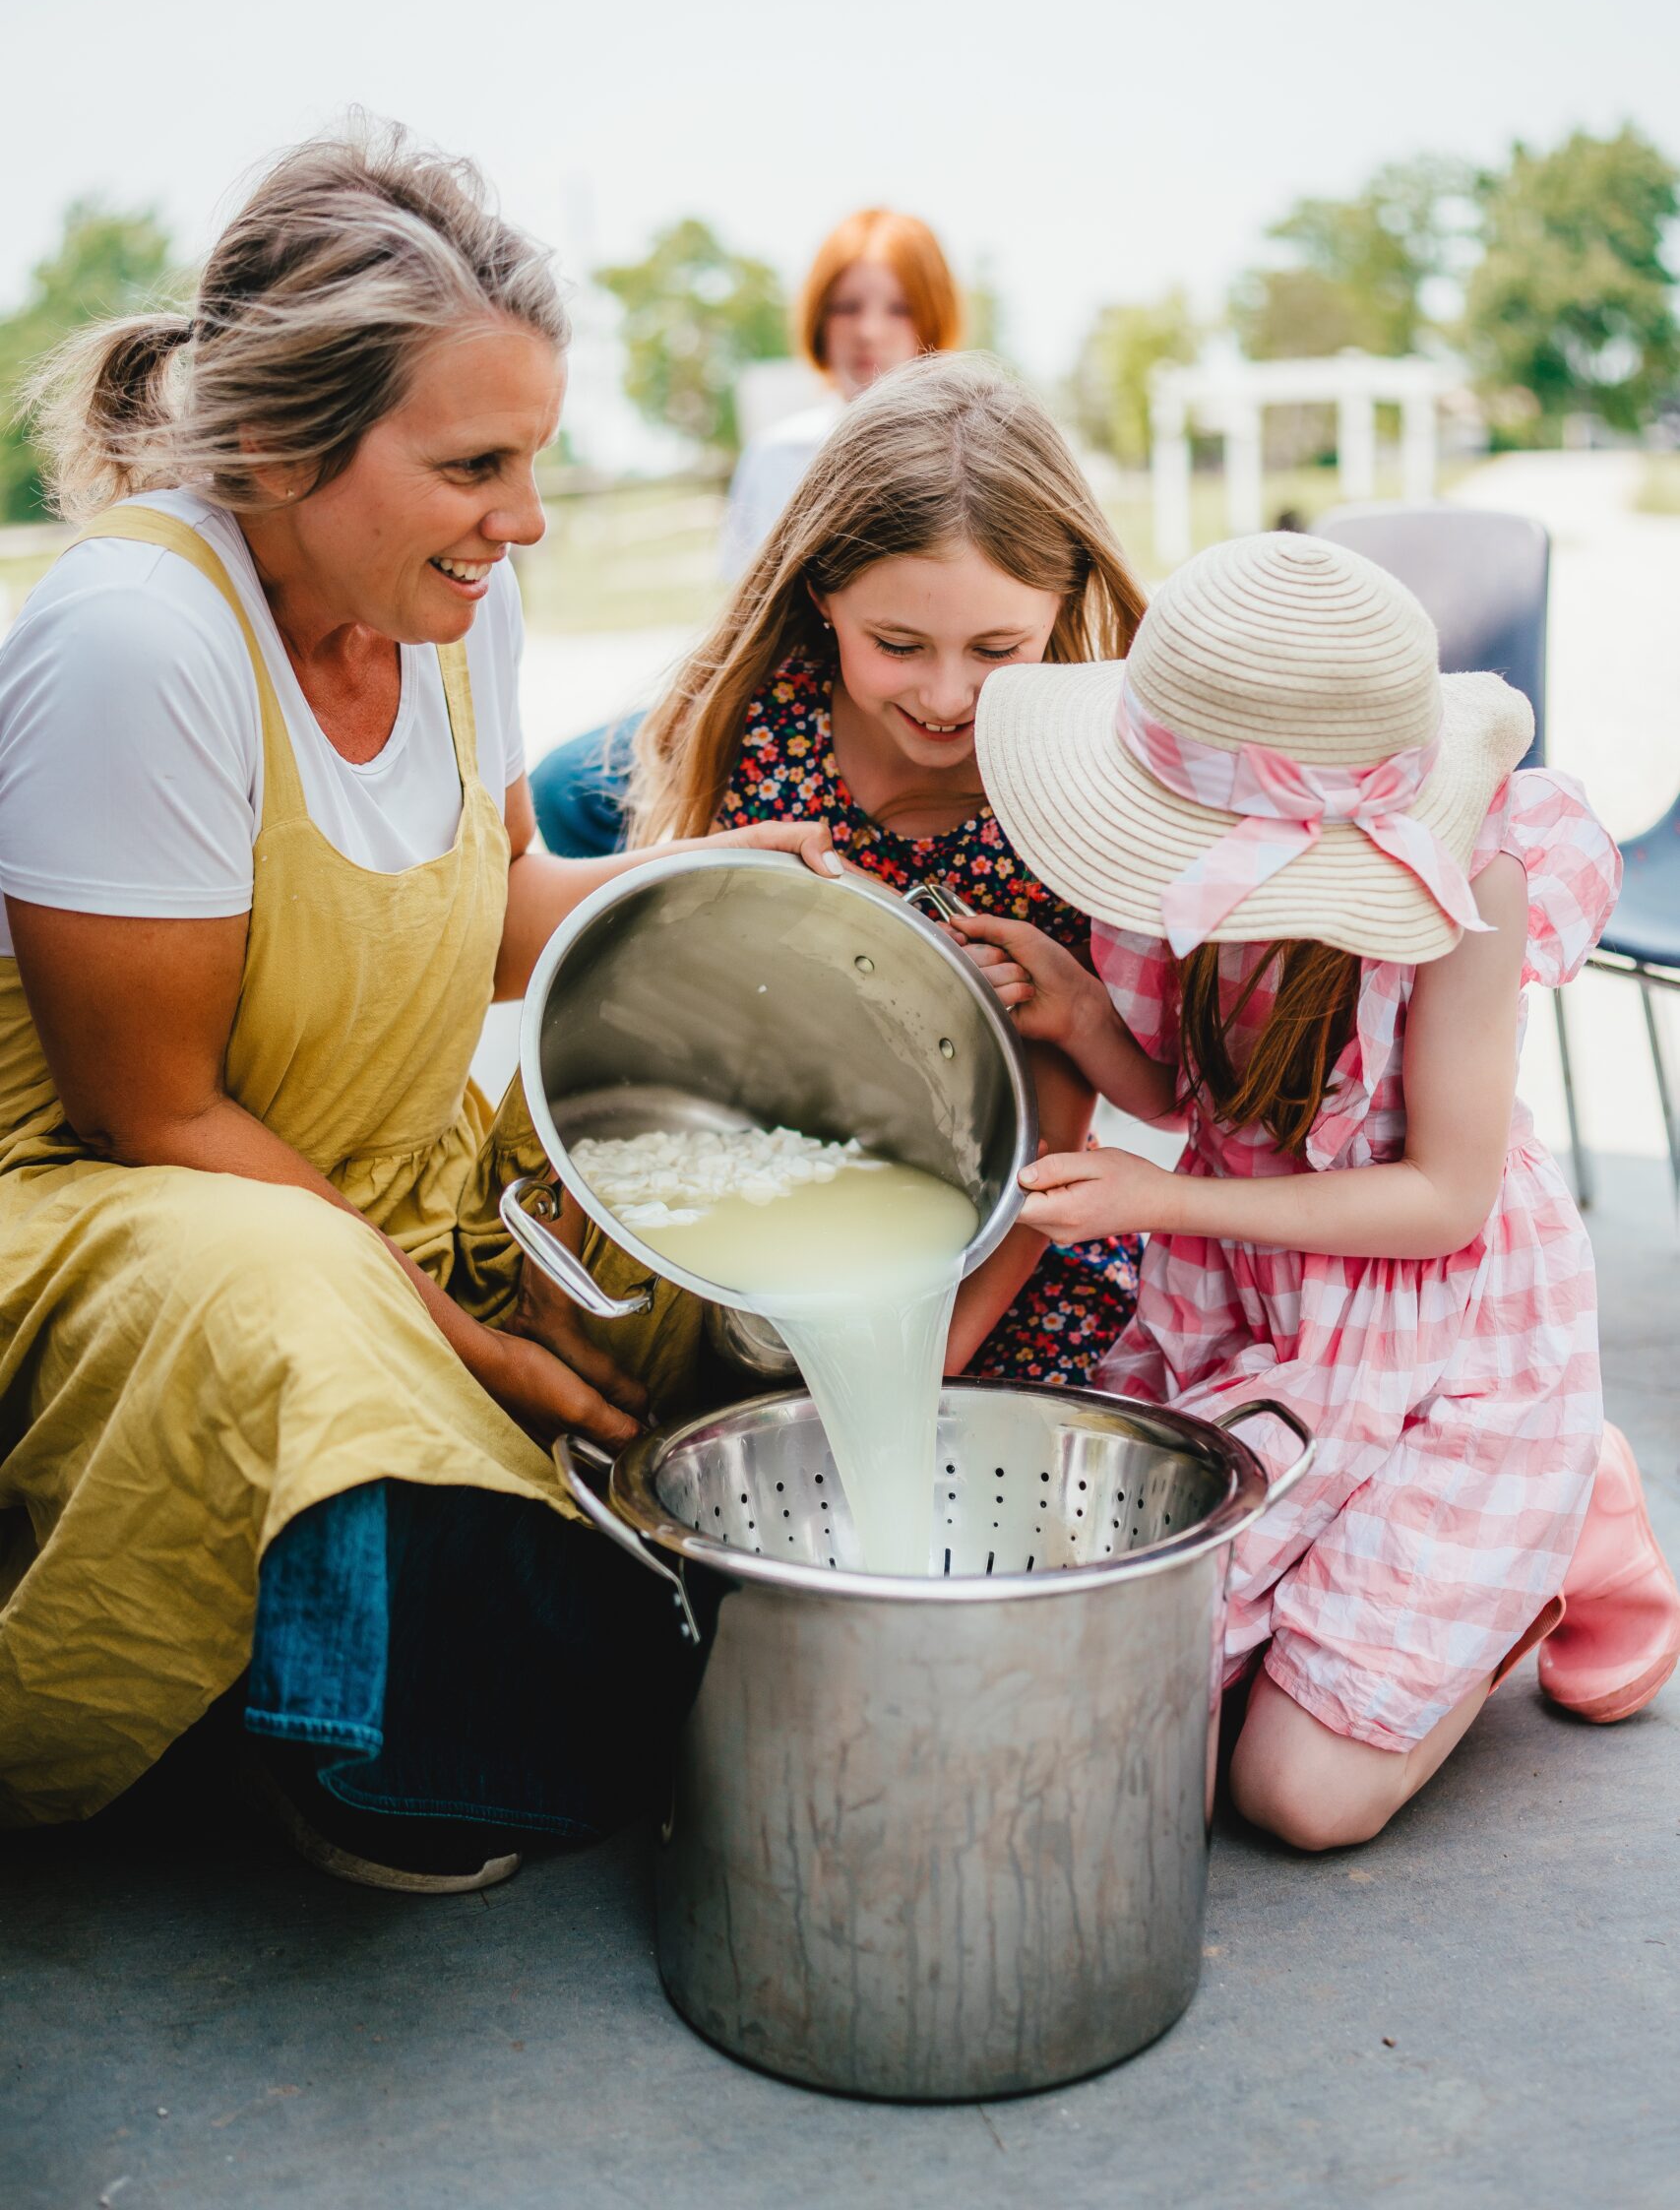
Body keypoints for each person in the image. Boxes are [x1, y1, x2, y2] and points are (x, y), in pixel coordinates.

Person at [0, 122, 829, 1885]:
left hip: (373, 1169)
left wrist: (710, 890)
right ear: (285, 446)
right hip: (121, 1220)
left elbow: (495, 921)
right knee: (299, 1292)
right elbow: (153, 1118)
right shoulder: (141, 641)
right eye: (473, 464)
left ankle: (616, 1577)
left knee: (699, 1122)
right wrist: (483, 1353)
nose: (522, 520)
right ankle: (347, 1744)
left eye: (530, 460)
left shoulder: (459, 605)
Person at [955, 533, 1680, 1850]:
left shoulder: (1466, 886)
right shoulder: (1185, 868)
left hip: (1444, 1340)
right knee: (1141, 1705)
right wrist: (1078, 1016)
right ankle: (1450, 1567)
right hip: (1263, 1313)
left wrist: (1156, 1205)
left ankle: (1560, 1506)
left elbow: (1438, 1202)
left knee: (1295, 1797)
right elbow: (1201, 1104)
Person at [629, 351, 1150, 1382]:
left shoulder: (1069, 794)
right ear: (822, 590)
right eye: (899, 644)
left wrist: (931, 1357)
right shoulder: (767, 732)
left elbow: (1057, 1126)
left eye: (997, 648)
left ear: (1064, 603)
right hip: (783, 1195)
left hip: (1013, 1238)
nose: (948, 697)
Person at [530, 207, 963, 856]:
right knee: (565, 784)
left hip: (888, 702)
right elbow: (738, 621)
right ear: (816, 319)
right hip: (771, 692)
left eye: (896, 308)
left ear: (932, 318)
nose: (868, 330)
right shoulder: (779, 454)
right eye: (846, 306)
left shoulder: (968, 454)